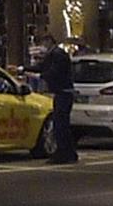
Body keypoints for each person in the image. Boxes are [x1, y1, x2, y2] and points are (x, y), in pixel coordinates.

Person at [20, 34, 78, 164]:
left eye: (43, 43)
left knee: (60, 124)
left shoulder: (58, 54)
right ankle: (69, 153)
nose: (42, 47)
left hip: (63, 93)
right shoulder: (53, 54)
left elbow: (53, 72)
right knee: (61, 124)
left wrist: (38, 76)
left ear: (49, 42)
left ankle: (64, 153)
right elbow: (42, 66)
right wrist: (23, 69)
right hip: (62, 93)